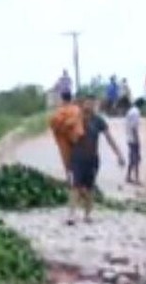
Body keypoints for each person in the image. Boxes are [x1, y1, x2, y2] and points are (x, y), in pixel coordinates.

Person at [69, 92, 125, 224]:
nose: (89, 105)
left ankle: (87, 215)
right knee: (75, 186)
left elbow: (109, 138)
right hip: (77, 158)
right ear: (83, 104)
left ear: (95, 105)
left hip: (92, 159)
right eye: (87, 103)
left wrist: (119, 154)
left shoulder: (98, 121)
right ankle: (72, 215)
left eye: (92, 103)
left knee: (89, 188)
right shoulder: (76, 119)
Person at [49, 89, 84, 220]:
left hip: (64, 146)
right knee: (78, 170)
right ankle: (79, 195)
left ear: (62, 99)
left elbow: (53, 125)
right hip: (77, 143)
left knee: (69, 170)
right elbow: (80, 128)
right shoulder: (76, 110)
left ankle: (73, 195)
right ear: (71, 98)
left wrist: (62, 128)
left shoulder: (58, 112)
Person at [124, 97, 145, 185]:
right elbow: (134, 128)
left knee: (132, 159)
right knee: (136, 159)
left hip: (129, 138)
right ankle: (137, 179)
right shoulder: (136, 113)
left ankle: (128, 176)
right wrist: (137, 140)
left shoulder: (130, 111)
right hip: (133, 139)